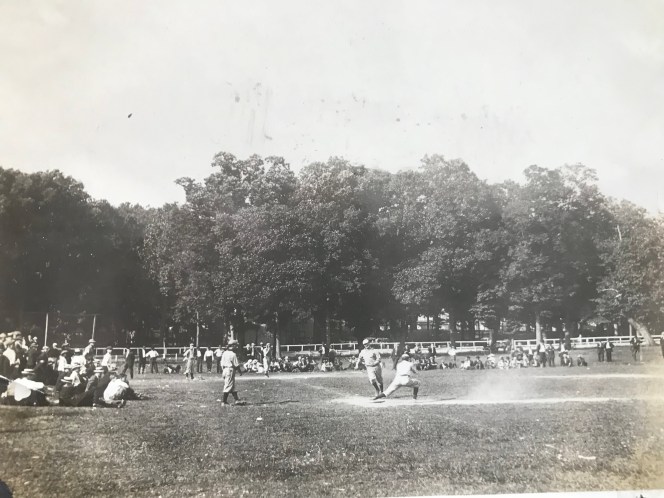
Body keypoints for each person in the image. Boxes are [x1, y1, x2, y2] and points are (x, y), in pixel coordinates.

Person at [220, 340, 244, 405]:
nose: (236, 347)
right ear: (233, 346)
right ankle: (224, 401)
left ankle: (237, 400)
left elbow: (221, 363)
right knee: (228, 386)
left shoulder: (225, 353)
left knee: (232, 386)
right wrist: (240, 371)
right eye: (236, 345)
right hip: (230, 370)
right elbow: (236, 365)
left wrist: (224, 370)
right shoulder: (233, 354)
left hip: (225, 370)